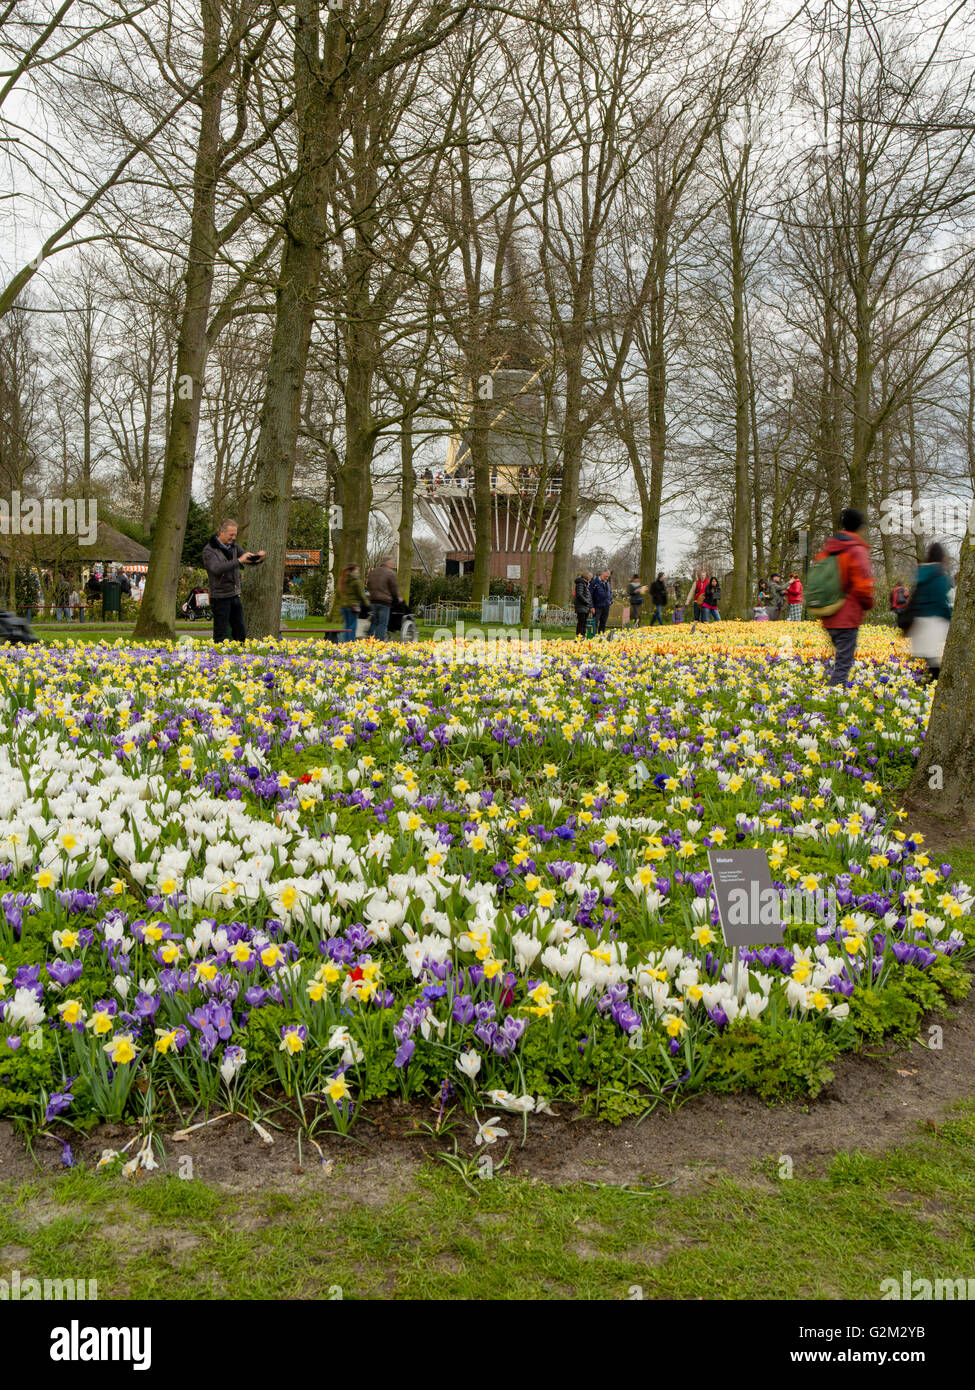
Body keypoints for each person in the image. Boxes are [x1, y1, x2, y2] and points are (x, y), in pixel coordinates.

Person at [813, 506, 875, 687]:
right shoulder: (855, 550)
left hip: (828, 612)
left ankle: (833, 691)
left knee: (840, 657)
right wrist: (868, 602)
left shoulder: (830, 548)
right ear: (859, 527)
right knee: (843, 663)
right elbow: (862, 584)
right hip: (847, 616)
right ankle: (833, 696)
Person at [202, 518, 265, 643]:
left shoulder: (233, 547)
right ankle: (218, 658)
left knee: (240, 632)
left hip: (234, 595)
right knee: (221, 633)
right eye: (231, 535)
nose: (233, 537)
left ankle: (239, 657)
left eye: (235, 535)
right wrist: (239, 561)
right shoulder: (209, 550)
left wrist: (258, 558)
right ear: (221, 532)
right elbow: (216, 569)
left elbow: (246, 557)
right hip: (220, 597)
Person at [907, 541, 952, 682]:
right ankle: (931, 687)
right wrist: (950, 618)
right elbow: (941, 601)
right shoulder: (940, 575)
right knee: (934, 660)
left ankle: (924, 685)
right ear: (941, 557)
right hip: (934, 621)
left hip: (919, 621)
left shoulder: (921, 572)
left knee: (929, 658)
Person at [366, 556, 399, 640]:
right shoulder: (390, 573)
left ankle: (369, 641)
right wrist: (395, 602)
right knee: (382, 623)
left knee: (373, 622)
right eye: (392, 563)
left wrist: (371, 596)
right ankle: (379, 642)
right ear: (388, 563)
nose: (392, 564)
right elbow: (394, 589)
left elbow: (368, 585)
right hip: (384, 602)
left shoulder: (373, 572)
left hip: (373, 600)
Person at [338, 562, 368, 642]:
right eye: (357, 569)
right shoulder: (356, 580)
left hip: (344, 607)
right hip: (352, 607)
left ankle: (344, 643)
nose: (358, 571)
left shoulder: (343, 579)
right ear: (354, 570)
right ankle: (350, 643)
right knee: (352, 627)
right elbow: (361, 595)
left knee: (346, 627)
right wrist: (368, 604)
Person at [573, 571, 593, 638]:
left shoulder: (585, 584)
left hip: (585, 607)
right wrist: (587, 602)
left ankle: (583, 636)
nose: (591, 579)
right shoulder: (580, 584)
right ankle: (579, 637)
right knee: (581, 623)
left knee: (584, 623)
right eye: (590, 577)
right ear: (587, 577)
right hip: (581, 607)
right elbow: (579, 595)